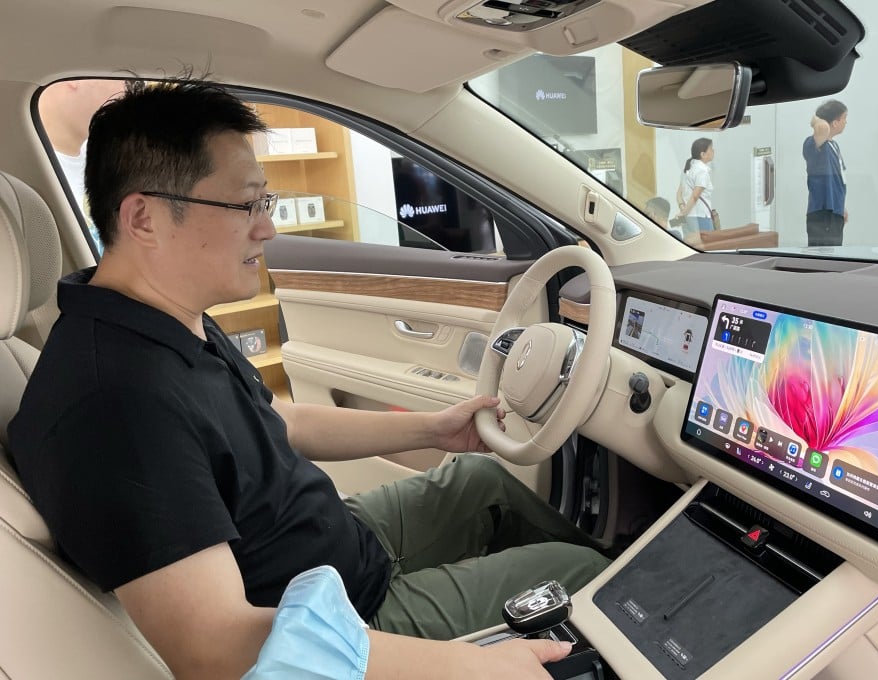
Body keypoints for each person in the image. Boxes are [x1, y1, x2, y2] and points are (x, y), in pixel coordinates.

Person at [9, 79, 610, 679]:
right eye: (245, 205)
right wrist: (477, 668)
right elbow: (216, 648)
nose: (266, 228)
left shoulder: (161, 318)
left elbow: (278, 421)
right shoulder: (115, 405)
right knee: (582, 577)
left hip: (337, 549)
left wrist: (433, 429)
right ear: (143, 217)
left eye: (264, 204)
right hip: (347, 623)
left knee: (482, 479)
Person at [36, 78, 126, 255]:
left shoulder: (112, 155)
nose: (129, 90)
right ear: (75, 79)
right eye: (127, 79)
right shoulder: (29, 168)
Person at [803, 100, 849, 246]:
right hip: (822, 212)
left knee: (835, 255)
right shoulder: (815, 145)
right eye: (844, 118)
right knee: (823, 258)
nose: (846, 122)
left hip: (834, 211)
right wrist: (816, 118)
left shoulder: (833, 145)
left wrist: (841, 207)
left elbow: (839, 181)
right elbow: (822, 127)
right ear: (835, 123)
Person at [674, 138, 715, 237]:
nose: (713, 151)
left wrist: (683, 210)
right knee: (706, 247)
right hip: (700, 217)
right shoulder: (702, 172)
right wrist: (684, 213)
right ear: (703, 154)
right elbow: (695, 196)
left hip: (687, 218)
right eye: (711, 149)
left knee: (689, 243)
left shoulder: (688, 168)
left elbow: (679, 194)